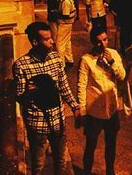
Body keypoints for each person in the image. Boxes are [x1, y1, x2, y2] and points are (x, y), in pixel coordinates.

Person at [14, 21, 82, 175]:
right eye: (47, 39)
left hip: (58, 120)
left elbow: (63, 86)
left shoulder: (57, 59)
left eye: (51, 38)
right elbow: (20, 98)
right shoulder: (21, 65)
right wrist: (29, 92)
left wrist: (75, 106)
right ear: (35, 42)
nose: (52, 41)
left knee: (60, 160)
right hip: (37, 123)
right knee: (38, 164)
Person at [78, 29, 127, 175]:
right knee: (91, 144)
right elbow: (81, 85)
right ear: (93, 42)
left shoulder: (114, 54)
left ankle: (110, 171)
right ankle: (87, 171)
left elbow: (122, 77)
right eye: (99, 41)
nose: (103, 44)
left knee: (111, 143)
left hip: (111, 108)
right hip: (94, 109)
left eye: (105, 40)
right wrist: (82, 111)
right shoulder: (86, 60)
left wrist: (112, 62)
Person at [51, 0, 78, 66]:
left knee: (60, 44)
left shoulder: (65, 1)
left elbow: (65, 15)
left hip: (65, 24)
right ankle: (69, 59)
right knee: (67, 42)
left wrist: (56, 12)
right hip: (68, 24)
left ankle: (61, 63)